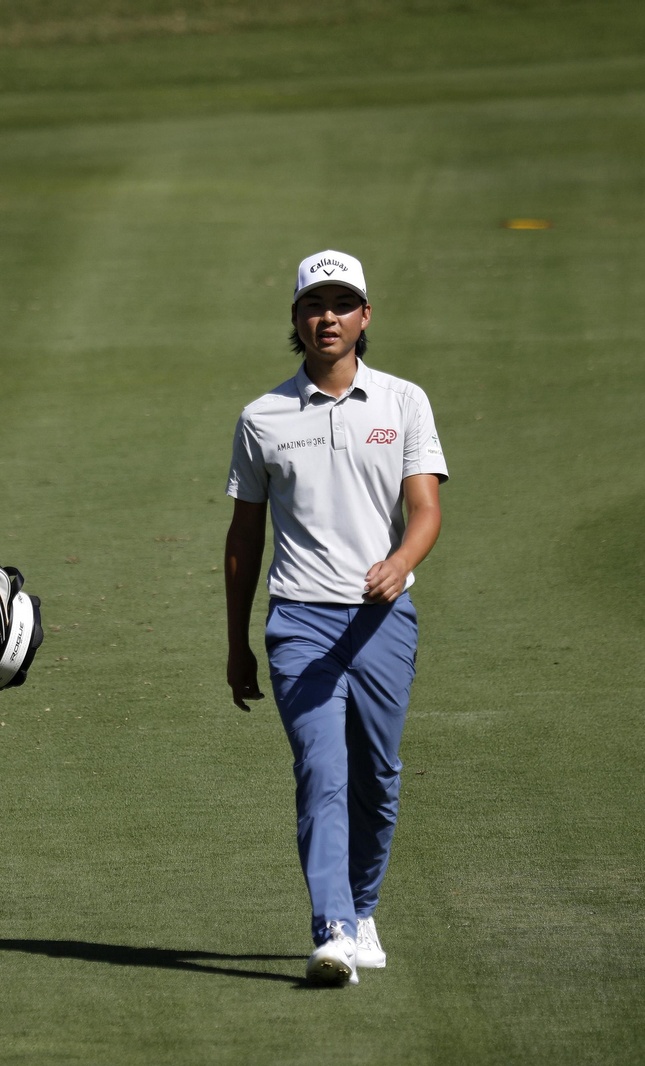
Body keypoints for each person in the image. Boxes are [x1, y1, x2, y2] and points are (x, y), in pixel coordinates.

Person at [222, 250, 447, 986]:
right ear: (296, 318)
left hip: (384, 620)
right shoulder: (262, 418)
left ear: (365, 317)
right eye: (315, 305)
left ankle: (363, 904)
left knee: (377, 778)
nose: (328, 317)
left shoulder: (403, 402)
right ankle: (333, 927)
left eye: (342, 303)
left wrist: (400, 562)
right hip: (300, 624)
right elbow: (244, 538)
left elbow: (425, 509)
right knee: (321, 770)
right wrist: (236, 643)